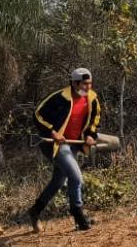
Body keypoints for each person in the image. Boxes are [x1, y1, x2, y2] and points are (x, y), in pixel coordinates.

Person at [25, 67, 101, 232]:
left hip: (74, 143)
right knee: (76, 176)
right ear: (74, 83)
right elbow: (38, 114)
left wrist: (90, 136)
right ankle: (78, 215)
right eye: (84, 84)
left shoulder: (92, 99)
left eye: (89, 83)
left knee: (58, 181)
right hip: (55, 145)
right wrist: (53, 132)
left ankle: (35, 211)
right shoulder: (59, 98)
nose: (87, 87)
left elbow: (94, 120)